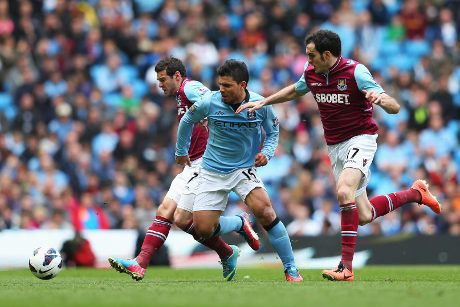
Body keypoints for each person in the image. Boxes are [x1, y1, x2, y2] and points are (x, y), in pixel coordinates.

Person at [236, 30, 441, 281]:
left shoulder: (356, 72)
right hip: (335, 147)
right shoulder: (312, 73)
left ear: (327, 54)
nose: (307, 60)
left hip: (361, 139)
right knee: (363, 215)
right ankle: (416, 193)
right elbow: (295, 90)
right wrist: (264, 102)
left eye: (311, 55)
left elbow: (394, 106)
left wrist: (380, 99)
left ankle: (345, 267)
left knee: (344, 192)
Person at [108, 57, 259, 281]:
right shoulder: (181, 96)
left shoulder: (190, 87)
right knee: (168, 212)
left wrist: (214, 121)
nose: (160, 85)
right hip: (192, 164)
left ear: (177, 76)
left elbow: (212, 100)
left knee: (184, 218)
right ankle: (141, 264)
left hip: (207, 164)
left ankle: (238, 224)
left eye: (163, 80)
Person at [175, 59, 303, 282]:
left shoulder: (260, 104)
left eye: (227, 85)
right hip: (212, 170)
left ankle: (291, 269)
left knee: (265, 212)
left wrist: (267, 153)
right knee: (203, 229)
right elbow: (187, 120)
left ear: (242, 84)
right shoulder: (209, 102)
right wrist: (181, 150)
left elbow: (273, 132)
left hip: (243, 169)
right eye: (220, 84)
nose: (221, 89)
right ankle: (238, 223)